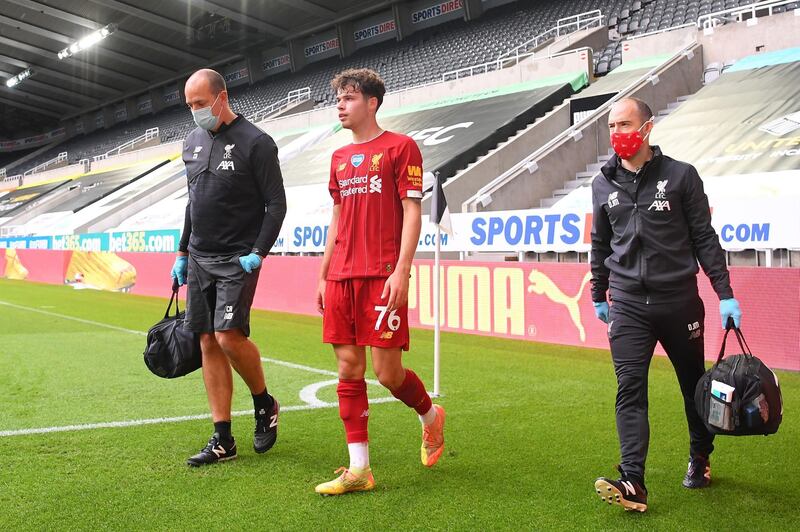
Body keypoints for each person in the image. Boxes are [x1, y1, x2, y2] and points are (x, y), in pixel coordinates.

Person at [590, 97, 743, 512]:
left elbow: (705, 238)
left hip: (679, 302)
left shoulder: (681, 176)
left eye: (625, 124)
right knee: (629, 388)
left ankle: (700, 456)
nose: (617, 133)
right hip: (627, 304)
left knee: (693, 386)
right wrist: (598, 292)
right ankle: (632, 481)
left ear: (647, 127)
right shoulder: (602, 183)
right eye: (611, 126)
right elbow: (601, 242)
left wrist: (724, 293)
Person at [313, 68, 446, 495]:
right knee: (348, 368)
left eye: (349, 98)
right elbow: (336, 220)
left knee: (387, 373)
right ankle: (359, 470)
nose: (340, 105)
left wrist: (401, 270)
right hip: (341, 276)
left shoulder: (401, 148)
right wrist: (322, 273)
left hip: (382, 275)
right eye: (338, 98)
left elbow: (412, 211)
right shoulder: (337, 159)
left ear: (372, 103)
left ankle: (430, 417)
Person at [171, 68, 287, 467]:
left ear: (222, 97)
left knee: (228, 337)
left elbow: (276, 205)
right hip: (200, 257)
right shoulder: (192, 141)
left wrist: (258, 251)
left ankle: (264, 401)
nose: (195, 112)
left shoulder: (257, 143)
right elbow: (192, 201)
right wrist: (182, 252)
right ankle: (223, 438)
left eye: (200, 104)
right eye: (190, 106)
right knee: (206, 341)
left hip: (238, 258)